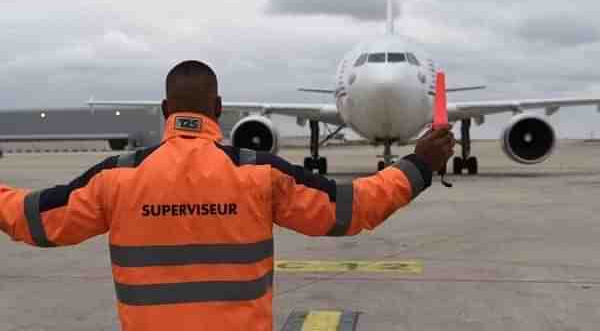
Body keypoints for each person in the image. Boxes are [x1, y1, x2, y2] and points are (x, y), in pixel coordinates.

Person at [0, 60, 455, 331]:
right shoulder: (258, 174)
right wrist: (416, 166)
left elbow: (30, 219)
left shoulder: (118, 177)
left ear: (164, 112)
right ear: (218, 109)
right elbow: (354, 209)